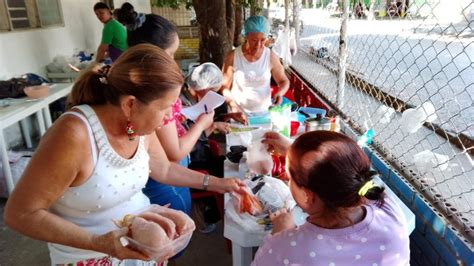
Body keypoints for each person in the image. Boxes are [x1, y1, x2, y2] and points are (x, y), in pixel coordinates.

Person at [4, 44, 244, 265]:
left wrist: (219, 183)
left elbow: (164, 168)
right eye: (164, 108)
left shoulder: (135, 127)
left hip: (139, 247)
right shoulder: (74, 136)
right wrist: (98, 243)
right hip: (89, 256)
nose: (168, 117)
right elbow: (21, 214)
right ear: (130, 104)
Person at [252, 131, 410, 265]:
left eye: (290, 178)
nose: (288, 181)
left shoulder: (284, 249)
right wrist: (294, 152)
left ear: (307, 196)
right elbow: (352, 175)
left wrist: (281, 231)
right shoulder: (390, 210)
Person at [221, 15, 290, 124]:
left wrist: (280, 93)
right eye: (254, 40)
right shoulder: (233, 56)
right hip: (238, 114)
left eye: (263, 40)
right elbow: (224, 87)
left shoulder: (270, 56)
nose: (258, 45)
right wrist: (233, 106)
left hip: (264, 114)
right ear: (246, 36)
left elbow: (284, 81)